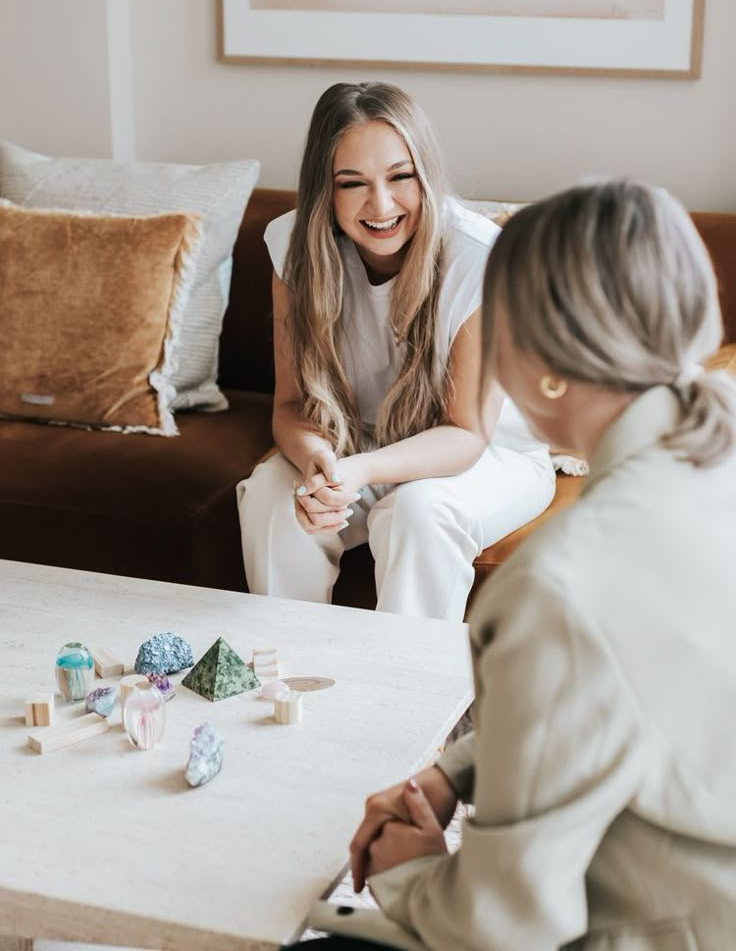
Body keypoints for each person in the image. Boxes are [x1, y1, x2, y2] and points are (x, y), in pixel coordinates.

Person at [297, 179, 736, 949]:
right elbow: (617, 696)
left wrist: (406, 869)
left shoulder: (557, 587)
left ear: (541, 365)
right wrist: (457, 769)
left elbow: (504, 926)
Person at [237, 82, 555, 619]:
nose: (381, 205)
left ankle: (406, 698)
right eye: (352, 183)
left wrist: (357, 471)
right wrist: (319, 463)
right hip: (358, 442)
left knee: (417, 511)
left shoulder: (478, 259)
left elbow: (467, 433)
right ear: (324, 190)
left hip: (489, 452)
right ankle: (290, 683)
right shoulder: (294, 249)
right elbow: (291, 407)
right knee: (275, 498)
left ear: (423, 174)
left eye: (400, 176)